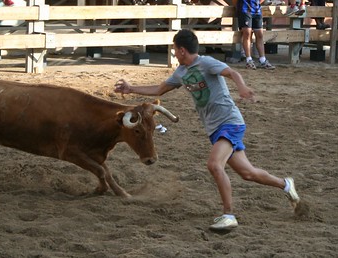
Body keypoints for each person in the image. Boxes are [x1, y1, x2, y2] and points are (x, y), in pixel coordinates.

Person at [113, 29, 300, 231]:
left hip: (230, 122)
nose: (174, 53)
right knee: (248, 173)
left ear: (182, 50)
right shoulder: (181, 72)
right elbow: (159, 90)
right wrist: (131, 89)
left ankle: (228, 215)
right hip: (215, 128)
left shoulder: (206, 63)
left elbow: (232, 72)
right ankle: (285, 184)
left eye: (175, 49)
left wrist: (242, 88)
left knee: (214, 165)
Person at [231, 0, 275, 70]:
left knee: (260, 34)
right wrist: (238, 6)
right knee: (247, 34)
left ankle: (262, 59)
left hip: (257, 12)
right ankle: (249, 60)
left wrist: (257, 3)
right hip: (245, 11)